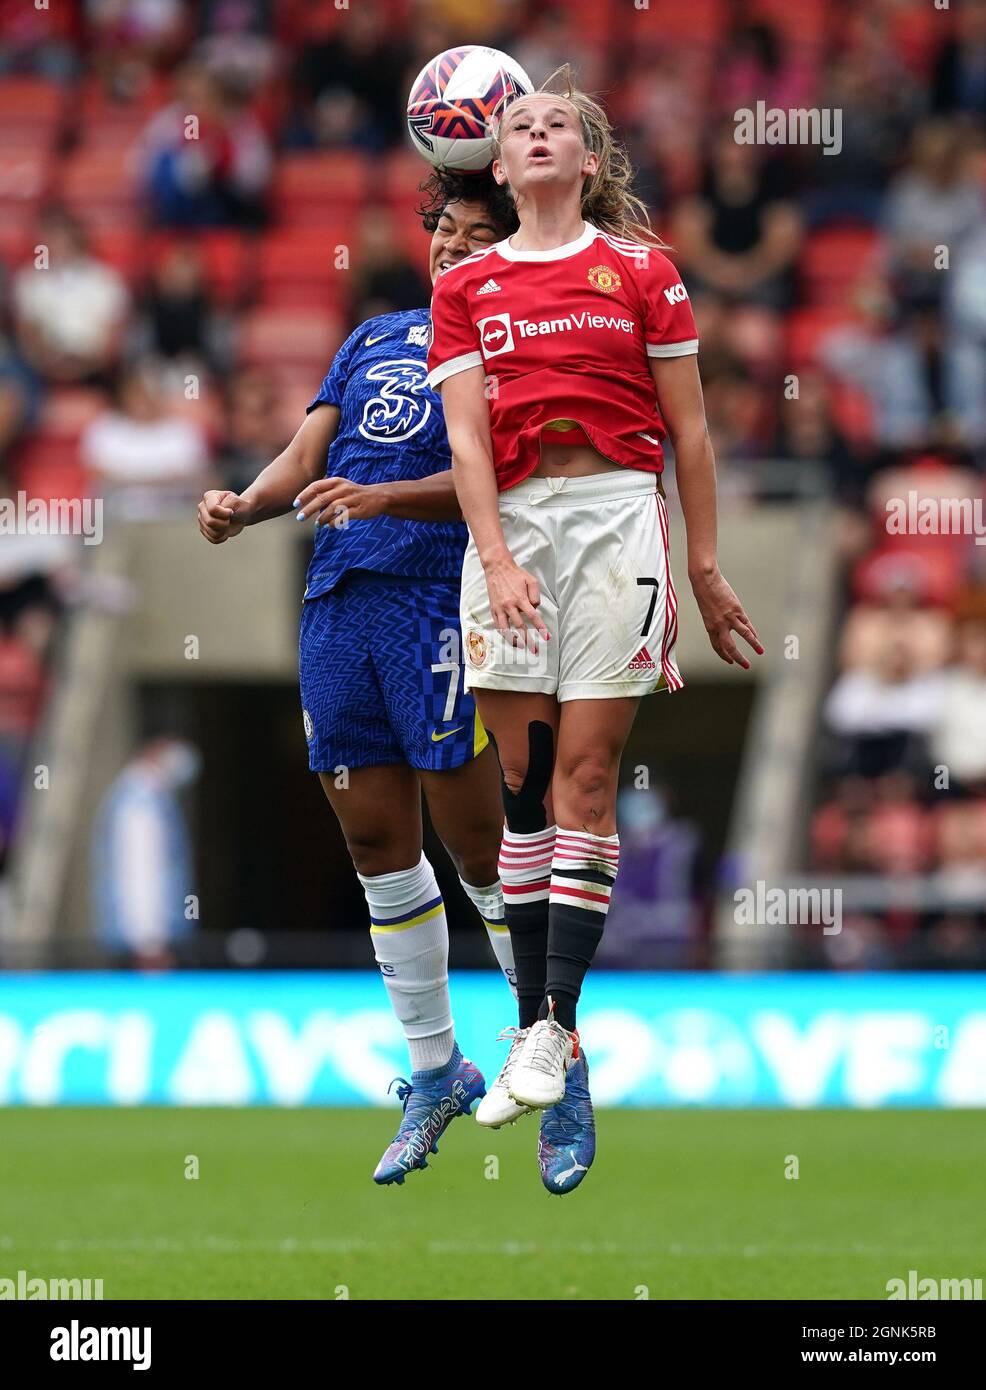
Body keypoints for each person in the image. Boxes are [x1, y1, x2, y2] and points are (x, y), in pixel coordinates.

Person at [427, 70, 762, 1194]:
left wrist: (704, 569)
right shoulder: (467, 283)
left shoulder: (642, 271)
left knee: (585, 775)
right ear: (498, 158)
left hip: (617, 516)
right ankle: (547, 1044)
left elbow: (691, 434)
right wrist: (499, 556)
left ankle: (549, 1022)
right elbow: (467, 442)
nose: (531, 134)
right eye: (517, 125)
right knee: (519, 790)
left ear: (586, 158)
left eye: (553, 124)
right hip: (512, 530)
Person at [197, 175, 521, 1186]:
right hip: (338, 599)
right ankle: (435, 1068)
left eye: (474, 235)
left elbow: (498, 479)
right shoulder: (377, 333)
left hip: (436, 597)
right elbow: (311, 448)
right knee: (375, 837)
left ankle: (548, 1037)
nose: (450, 247)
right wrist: (246, 504)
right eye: (443, 231)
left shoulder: (517, 346)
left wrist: (380, 496)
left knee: (474, 838)